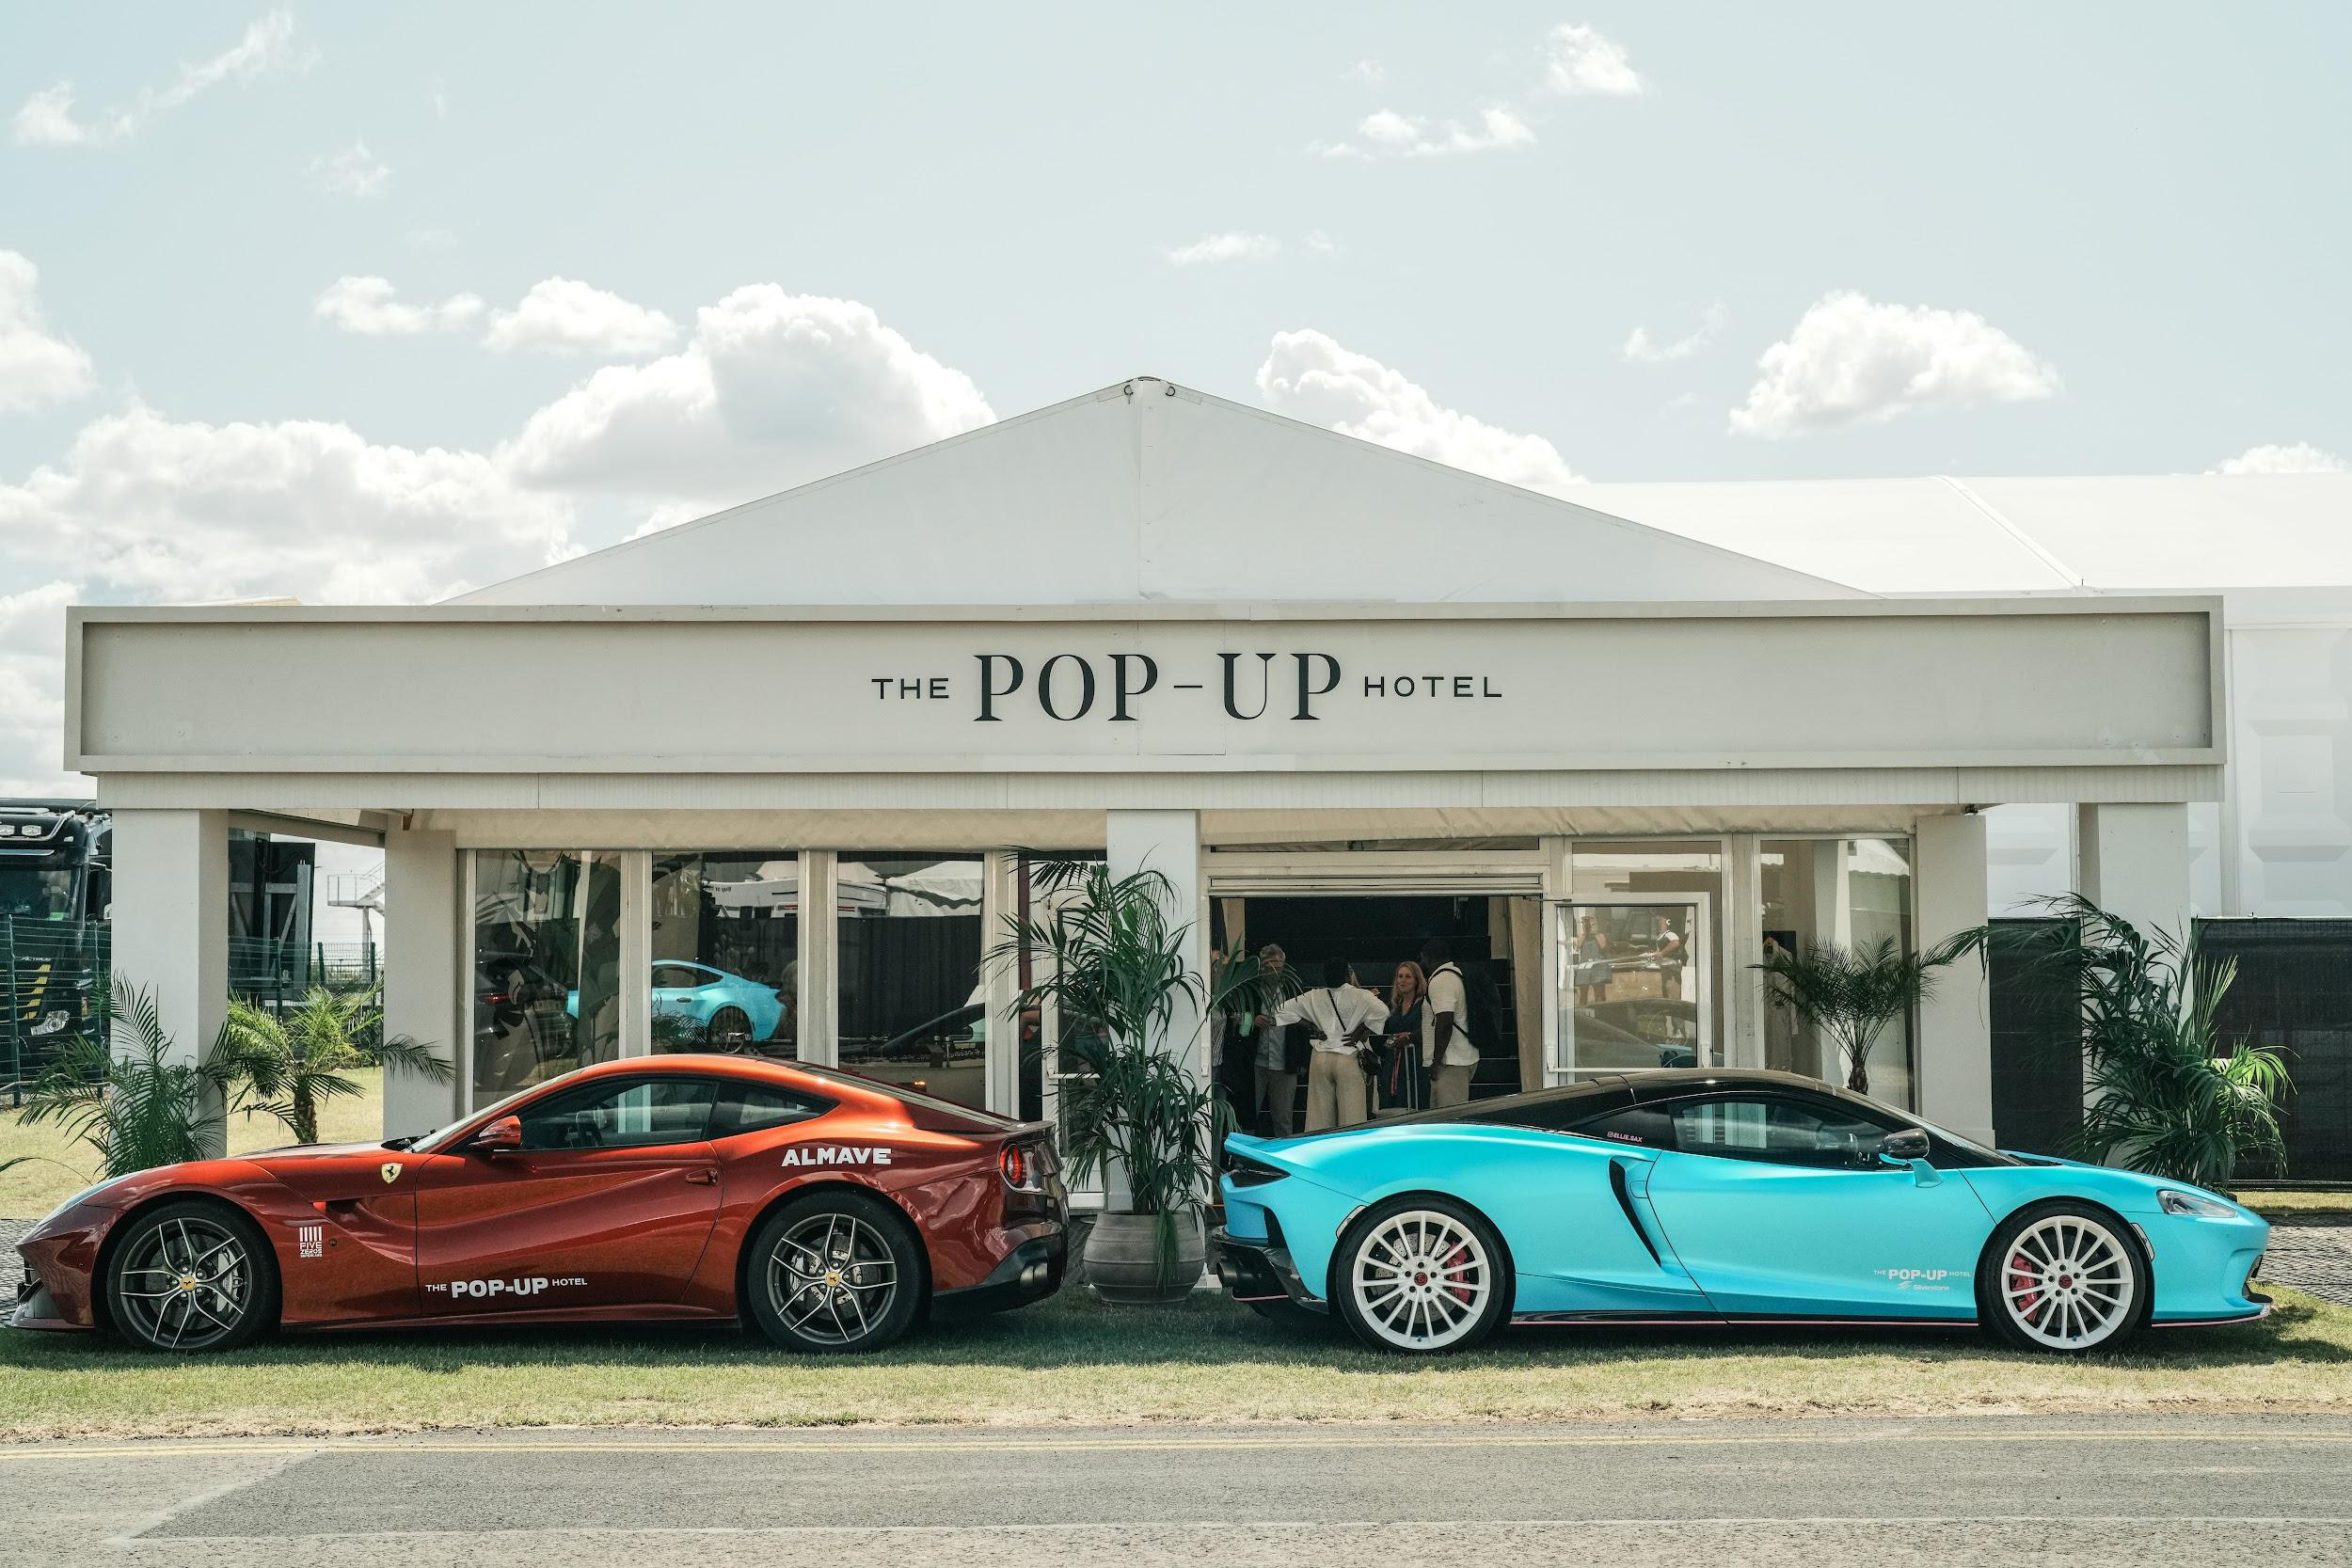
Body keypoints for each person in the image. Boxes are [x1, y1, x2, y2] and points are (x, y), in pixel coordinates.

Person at [1275, 958, 1387, 1132]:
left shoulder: (1314, 996)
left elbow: (1281, 1010)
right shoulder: (1361, 995)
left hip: (1320, 1058)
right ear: (1347, 975)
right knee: (1352, 1119)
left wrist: (1312, 1027)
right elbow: (1382, 1011)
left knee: (1319, 1118)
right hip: (1348, 1057)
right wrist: (1360, 1030)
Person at [1420, 939, 1478, 1108]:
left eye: (1422, 958)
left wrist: (1436, 1061)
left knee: (1450, 1119)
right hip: (1459, 1057)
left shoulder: (1442, 981)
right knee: (1441, 1118)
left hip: (1451, 1062)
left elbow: (1445, 1021)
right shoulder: (1456, 975)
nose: (1421, 963)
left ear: (1428, 957)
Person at [1250, 943, 1299, 1135]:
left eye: (1278, 966)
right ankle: (1243, 1158)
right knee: (1249, 1114)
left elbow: (1301, 1025)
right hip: (1257, 1062)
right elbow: (1238, 1015)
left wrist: (1299, 1061)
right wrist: (1253, 1019)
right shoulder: (1252, 990)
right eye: (1269, 965)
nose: (1274, 970)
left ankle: (1283, 1161)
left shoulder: (1292, 988)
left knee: (1283, 1116)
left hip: (1283, 1062)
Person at [1377, 959, 1429, 1113]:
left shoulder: (1423, 1004)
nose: (1403, 980)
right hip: (1394, 1061)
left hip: (1415, 1061)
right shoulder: (1395, 1006)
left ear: (1416, 980)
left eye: (1408, 976)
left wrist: (1410, 1036)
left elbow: (1427, 1029)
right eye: (1400, 976)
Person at [1573, 914, 1612, 1006]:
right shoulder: (1582, 937)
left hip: (1598, 968)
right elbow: (1578, 946)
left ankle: (1601, 1011)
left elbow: (1603, 946)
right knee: (1583, 996)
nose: (1588, 927)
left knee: (1599, 994)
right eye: (1585, 924)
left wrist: (1594, 933)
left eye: (1592, 924)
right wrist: (1586, 934)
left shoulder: (1600, 935)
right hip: (1585, 969)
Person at [1649, 914, 1686, 1002]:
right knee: (1665, 992)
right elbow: (1659, 952)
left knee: (1672, 992)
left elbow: (1675, 943)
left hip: (1672, 968)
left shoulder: (1670, 934)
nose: (1658, 924)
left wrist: (1662, 953)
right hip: (1664, 968)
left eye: (1660, 921)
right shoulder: (1660, 937)